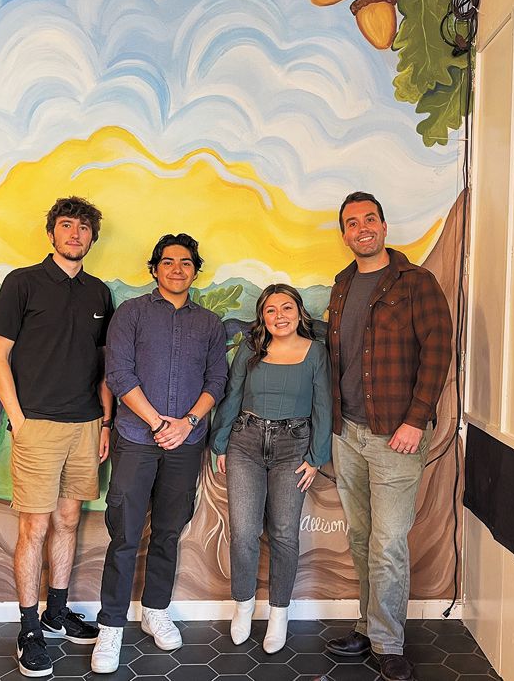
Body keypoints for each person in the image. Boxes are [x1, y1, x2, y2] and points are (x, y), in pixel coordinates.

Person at [324, 192, 452, 681]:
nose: (362, 228)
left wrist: (415, 420)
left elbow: (437, 352)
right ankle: (369, 623)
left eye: (369, 219)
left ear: (382, 224)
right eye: (352, 223)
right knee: (361, 537)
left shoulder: (416, 282)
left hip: (396, 436)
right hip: (349, 431)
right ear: (345, 233)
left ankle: (389, 642)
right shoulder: (341, 285)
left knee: (388, 542)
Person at [0, 196, 114, 678]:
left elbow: (104, 367)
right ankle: (28, 629)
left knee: (67, 521)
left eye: (84, 228)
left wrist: (104, 423)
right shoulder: (22, 283)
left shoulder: (99, 293)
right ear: (52, 233)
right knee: (33, 529)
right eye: (67, 226)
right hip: (36, 425)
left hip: (84, 427)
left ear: (92, 238)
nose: (75, 234)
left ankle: (55, 614)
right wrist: (18, 420)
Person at [90, 233, 228, 674]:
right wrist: (156, 422)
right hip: (136, 437)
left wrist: (186, 423)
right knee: (125, 534)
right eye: (167, 262)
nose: (176, 269)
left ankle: (155, 609)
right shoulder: (130, 314)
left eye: (185, 263)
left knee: (168, 531)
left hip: (186, 443)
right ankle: (111, 626)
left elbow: (216, 382)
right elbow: (118, 373)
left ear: (194, 270)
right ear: (154, 269)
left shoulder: (209, 324)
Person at [209, 283, 332, 654]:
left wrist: (316, 456)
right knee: (244, 532)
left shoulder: (316, 353)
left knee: (283, 534)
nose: (280, 316)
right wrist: (220, 441)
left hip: (293, 447)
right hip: (245, 442)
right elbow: (232, 395)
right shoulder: (250, 348)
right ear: (262, 316)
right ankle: (243, 607)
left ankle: (279, 613)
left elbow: (324, 406)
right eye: (271, 310)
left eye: (287, 308)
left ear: (299, 312)